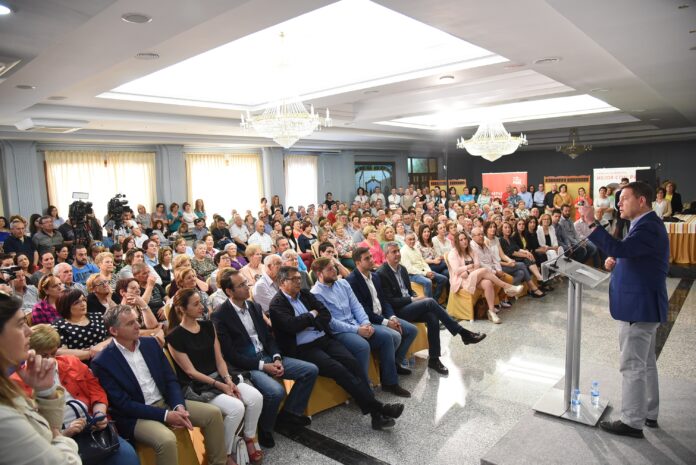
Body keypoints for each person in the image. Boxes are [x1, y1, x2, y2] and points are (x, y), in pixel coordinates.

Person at [580, 181, 668, 439]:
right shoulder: (644, 224)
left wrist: (592, 223)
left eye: (624, 199)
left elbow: (622, 248)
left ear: (641, 201)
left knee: (632, 366)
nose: (619, 203)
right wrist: (618, 261)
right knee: (646, 363)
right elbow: (632, 254)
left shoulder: (648, 225)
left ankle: (632, 421)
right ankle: (649, 412)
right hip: (643, 304)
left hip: (638, 307)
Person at [268, 266, 404, 430]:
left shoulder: (305, 294)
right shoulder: (277, 304)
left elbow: (325, 314)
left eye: (299, 278)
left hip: (323, 339)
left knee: (353, 363)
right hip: (303, 348)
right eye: (294, 279)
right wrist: (312, 315)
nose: (299, 281)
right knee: (338, 370)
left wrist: (309, 320)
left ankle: (376, 415)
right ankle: (379, 409)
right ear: (283, 282)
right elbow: (292, 326)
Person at [92, 305, 228, 465]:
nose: (137, 325)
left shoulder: (150, 344)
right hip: (136, 416)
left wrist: (178, 406)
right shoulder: (103, 361)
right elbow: (123, 404)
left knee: (213, 414)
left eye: (136, 320)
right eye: (130, 323)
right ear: (114, 331)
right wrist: (165, 415)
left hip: (166, 402)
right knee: (166, 439)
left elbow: (170, 380)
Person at [213, 269, 318, 448]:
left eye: (246, 282)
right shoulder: (220, 315)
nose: (247, 287)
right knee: (275, 391)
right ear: (229, 291)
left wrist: (276, 357)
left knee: (310, 370)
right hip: (248, 364)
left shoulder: (253, 306)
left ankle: (289, 415)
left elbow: (268, 337)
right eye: (241, 285)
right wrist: (263, 366)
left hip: (268, 356)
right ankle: (265, 428)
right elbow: (231, 355)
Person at [11, 324, 139, 465]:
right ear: (28, 354)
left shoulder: (71, 362)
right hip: (56, 438)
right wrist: (64, 433)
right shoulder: (16, 384)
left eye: (53, 353)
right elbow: (32, 431)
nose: (50, 360)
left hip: (92, 428)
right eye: (43, 356)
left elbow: (96, 390)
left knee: (127, 457)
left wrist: (99, 414)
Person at [166, 289, 264, 464]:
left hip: (221, 376)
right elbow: (190, 372)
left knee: (256, 398)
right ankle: (223, 454)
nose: (202, 307)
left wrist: (227, 380)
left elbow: (219, 359)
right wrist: (221, 385)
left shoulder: (207, 326)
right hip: (198, 385)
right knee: (236, 408)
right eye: (196, 304)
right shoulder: (174, 337)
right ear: (182, 309)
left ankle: (249, 438)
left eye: (201, 302)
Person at [377, 242, 486, 374]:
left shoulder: (402, 269)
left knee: (432, 317)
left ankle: (434, 359)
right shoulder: (382, 273)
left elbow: (409, 291)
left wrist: (414, 296)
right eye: (393, 252)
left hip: (409, 306)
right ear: (386, 255)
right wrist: (413, 299)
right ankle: (463, 333)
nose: (397, 254)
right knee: (429, 301)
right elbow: (389, 301)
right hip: (397, 312)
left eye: (398, 251)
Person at [0, 292, 81, 464]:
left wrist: (46, 393)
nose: (29, 330)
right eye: (20, 324)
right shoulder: (4, 418)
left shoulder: (6, 387)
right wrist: (58, 435)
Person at [311, 257, 411, 397]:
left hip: (357, 323)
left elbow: (356, 306)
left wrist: (365, 323)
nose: (334, 271)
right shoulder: (315, 293)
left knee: (387, 337)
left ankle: (390, 382)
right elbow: (331, 322)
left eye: (334, 267)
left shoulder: (343, 283)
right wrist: (357, 330)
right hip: (340, 331)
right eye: (330, 269)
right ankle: (362, 389)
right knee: (362, 346)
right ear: (319, 273)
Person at [346, 247, 418, 371]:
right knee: (395, 336)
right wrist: (386, 322)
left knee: (412, 330)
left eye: (371, 256)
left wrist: (392, 317)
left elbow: (384, 301)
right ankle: (387, 371)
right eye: (367, 258)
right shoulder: (352, 281)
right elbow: (363, 310)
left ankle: (395, 363)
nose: (371, 260)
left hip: (383, 315)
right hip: (368, 321)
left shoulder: (375, 276)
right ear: (358, 263)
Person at [448, 232, 523, 322]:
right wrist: (468, 267)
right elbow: (457, 271)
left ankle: (491, 312)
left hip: (472, 275)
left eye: (465, 239)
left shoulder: (471, 250)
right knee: (484, 270)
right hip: (461, 281)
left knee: (488, 283)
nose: (464, 241)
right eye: (461, 240)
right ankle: (507, 287)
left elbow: (477, 265)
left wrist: (468, 271)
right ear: (457, 242)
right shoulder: (453, 253)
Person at [52, 288, 111, 362]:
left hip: (106, 358)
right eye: (76, 302)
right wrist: (90, 353)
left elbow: (114, 337)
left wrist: (100, 346)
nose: (83, 304)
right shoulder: (59, 325)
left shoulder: (97, 316)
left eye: (84, 300)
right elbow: (60, 352)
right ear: (66, 306)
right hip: (79, 365)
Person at [399, 232, 447, 302]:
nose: (412, 241)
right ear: (405, 241)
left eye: (413, 239)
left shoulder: (415, 248)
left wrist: (428, 271)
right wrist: (425, 274)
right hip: (412, 275)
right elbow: (409, 269)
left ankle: (435, 300)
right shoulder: (403, 251)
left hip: (423, 270)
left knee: (443, 279)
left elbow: (423, 262)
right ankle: (429, 304)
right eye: (410, 239)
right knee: (428, 282)